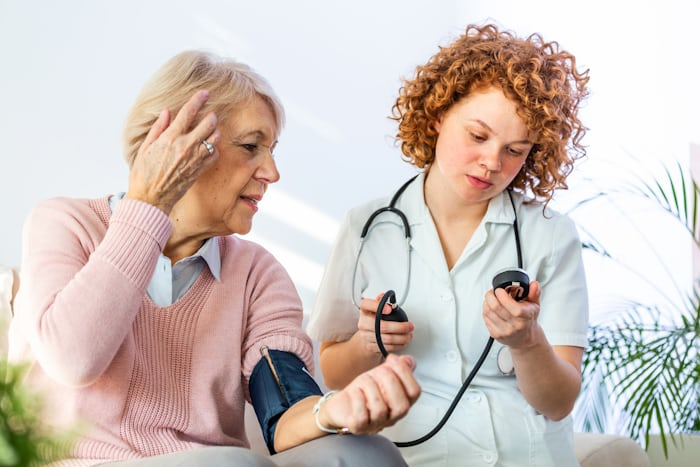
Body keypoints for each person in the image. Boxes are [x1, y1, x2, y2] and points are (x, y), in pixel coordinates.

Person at [7, 50, 420, 467]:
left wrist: (333, 410)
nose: (272, 172)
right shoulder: (65, 223)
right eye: (250, 146)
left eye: (272, 150)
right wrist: (149, 204)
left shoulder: (256, 273)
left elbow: (283, 408)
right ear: (175, 144)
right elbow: (73, 360)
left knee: (367, 452)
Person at [306, 23, 590, 467]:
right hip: (410, 458)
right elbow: (332, 376)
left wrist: (527, 341)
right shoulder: (366, 228)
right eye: (477, 136)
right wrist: (368, 343)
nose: (492, 162)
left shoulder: (550, 234)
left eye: (515, 150)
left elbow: (559, 403)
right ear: (438, 114)